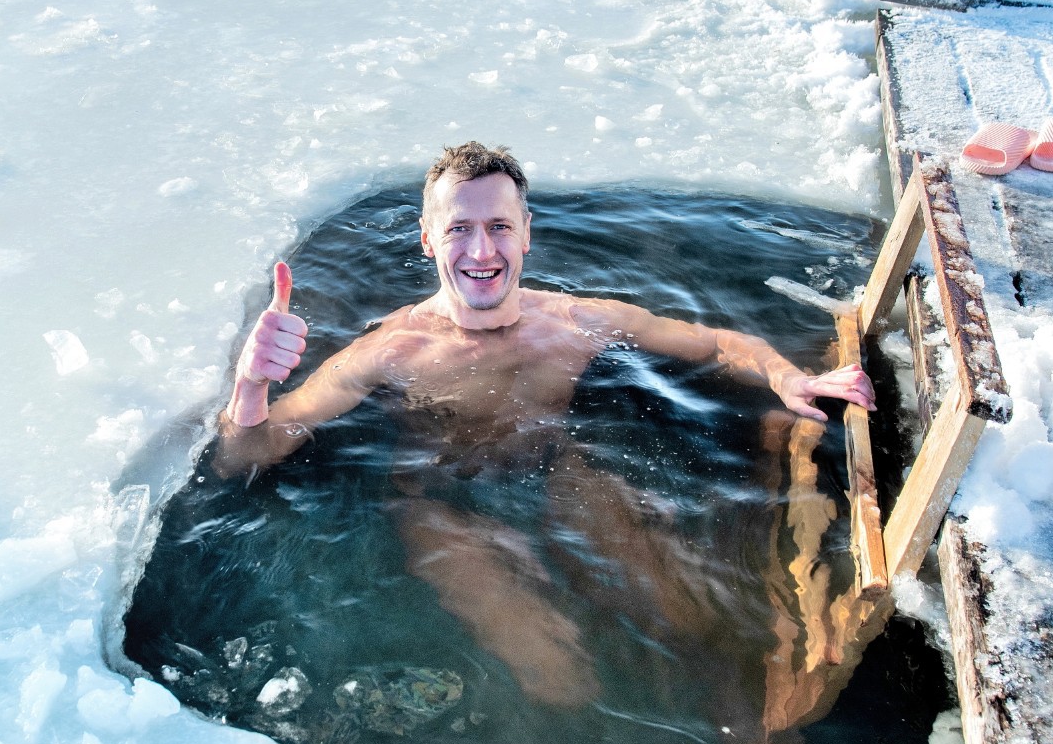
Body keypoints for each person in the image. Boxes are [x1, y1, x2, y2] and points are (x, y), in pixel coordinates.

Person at [213, 142, 874, 715]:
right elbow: (249, 456)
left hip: (556, 472)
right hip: (443, 507)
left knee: (687, 616)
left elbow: (714, 344)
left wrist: (785, 376)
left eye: (498, 226)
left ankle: (715, 700)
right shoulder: (388, 352)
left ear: (526, 233)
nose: (480, 250)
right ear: (427, 238)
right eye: (458, 229)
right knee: (561, 680)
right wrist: (249, 391)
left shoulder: (575, 323)